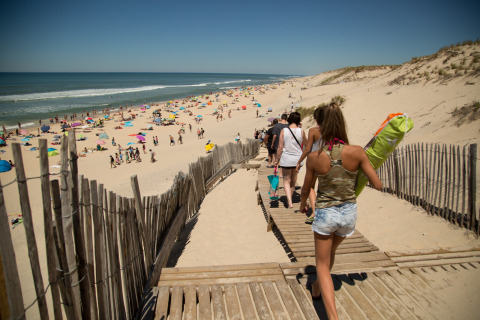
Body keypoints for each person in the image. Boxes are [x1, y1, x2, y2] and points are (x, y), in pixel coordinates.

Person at [299, 102, 382, 319]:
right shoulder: (356, 152)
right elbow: (378, 184)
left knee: (322, 265)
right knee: (330, 254)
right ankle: (316, 287)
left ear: (322, 126)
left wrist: (302, 206)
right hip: (348, 215)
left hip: (326, 214)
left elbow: (306, 189)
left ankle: (332, 316)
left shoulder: (315, 158)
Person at [296, 106, 325, 223]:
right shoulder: (332, 130)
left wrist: (299, 161)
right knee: (322, 187)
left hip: (315, 161)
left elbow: (308, 149)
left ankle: (314, 212)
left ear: (316, 118)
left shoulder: (313, 131)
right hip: (328, 161)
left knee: (311, 187)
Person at [274, 112, 306, 208]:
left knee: (286, 180)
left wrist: (277, 159)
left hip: (286, 158)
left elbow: (280, 147)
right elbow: (306, 145)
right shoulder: (301, 131)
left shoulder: (284, 131)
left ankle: (289, 202)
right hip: (297, 159)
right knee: (293, 180)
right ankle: (290, 199)